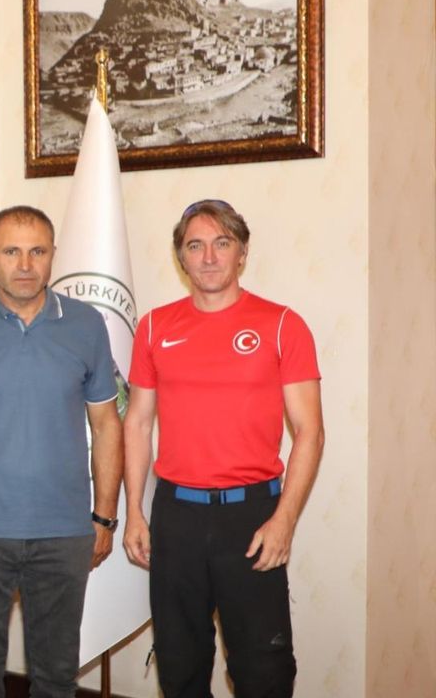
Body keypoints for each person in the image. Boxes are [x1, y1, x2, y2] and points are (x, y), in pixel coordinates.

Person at [122, 200, 324, 697]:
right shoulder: (154, 327)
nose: (209, 257)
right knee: (179, 667)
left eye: (222, 243)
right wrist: (135, 513)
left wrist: (284, 520)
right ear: (181, 257)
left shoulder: (282, 324)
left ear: (242, 253)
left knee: (264, 673)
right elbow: (138, 423)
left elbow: (310, 432)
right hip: (176, 517)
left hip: (251, 517)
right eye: (196, 245)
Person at [0, 206, 124, 698]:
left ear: (54, 255)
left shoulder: (86, 324)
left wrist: (104, 516)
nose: (25, 264)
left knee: (57, 677)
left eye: (37, 251)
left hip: (64, 532)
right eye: (11, 251)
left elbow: (107, 424)